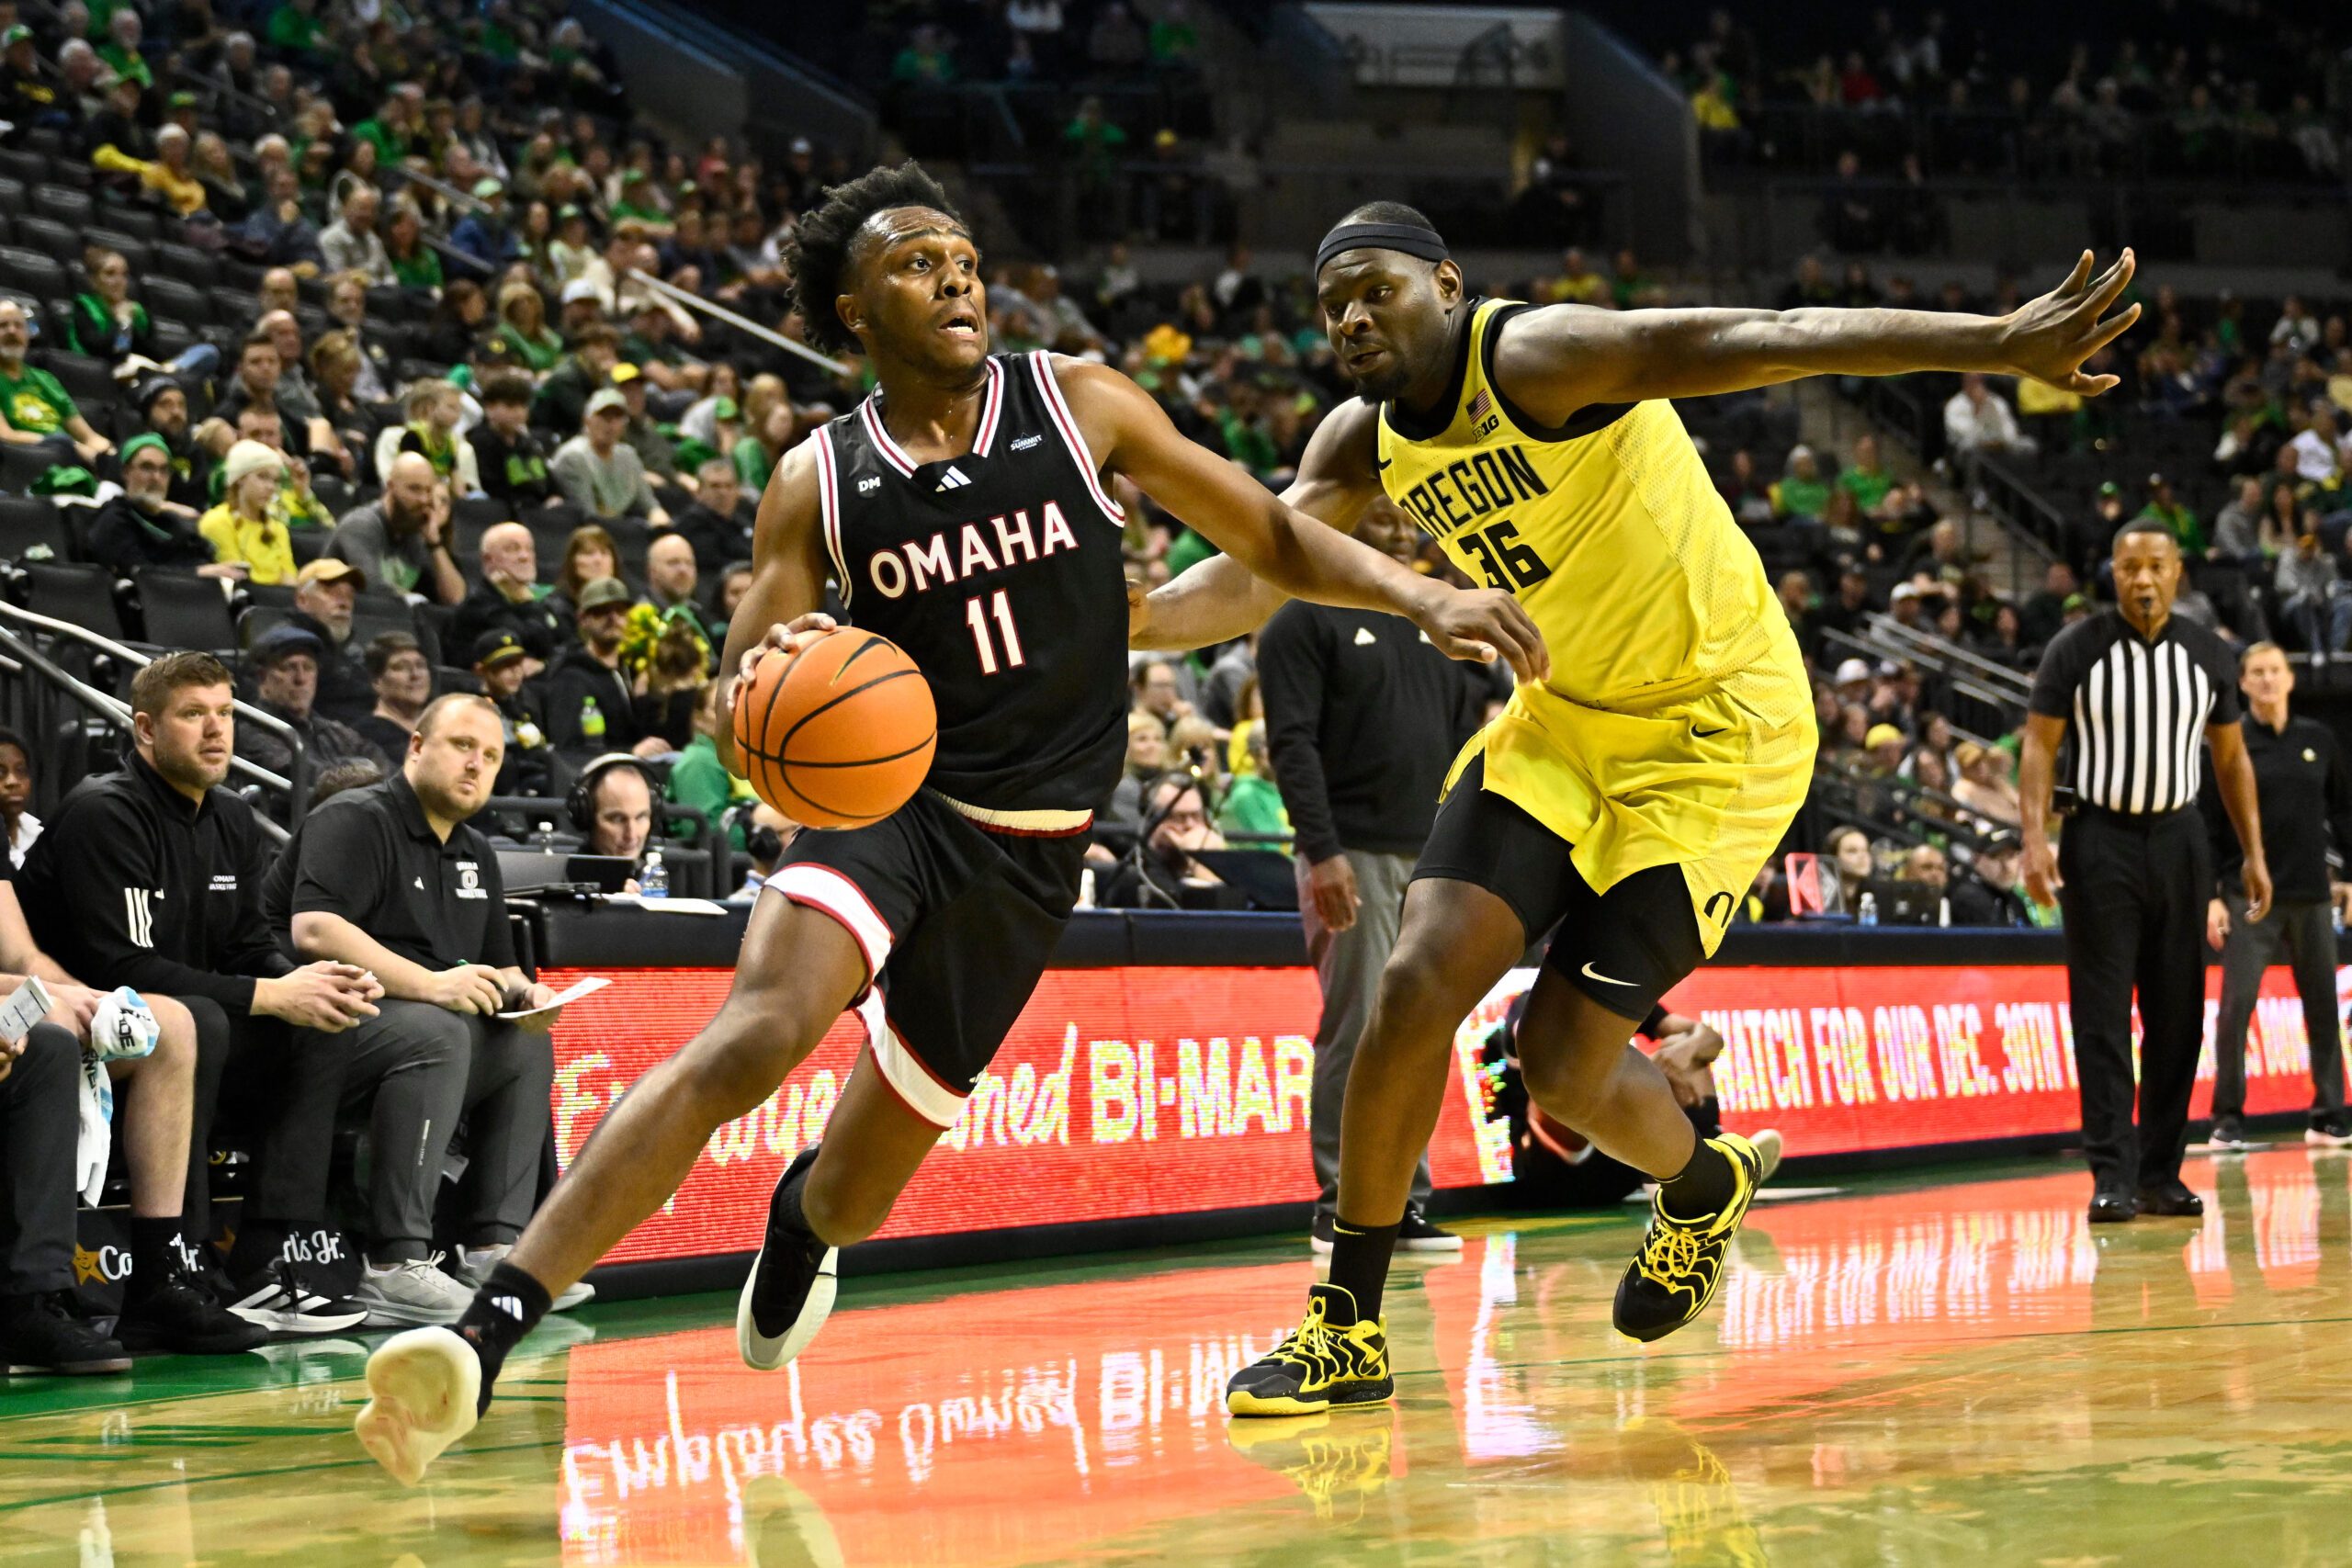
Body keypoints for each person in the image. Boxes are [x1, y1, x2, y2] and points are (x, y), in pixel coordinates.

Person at [353, 162, 1541, 1485]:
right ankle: (483, 1331)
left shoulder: (1076, 399)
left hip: (1029, 861)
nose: (956, 276)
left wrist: (1415, 596)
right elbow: (742, 683)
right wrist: (767, 671)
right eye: (917, 263)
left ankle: (803, 1223)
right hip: (893, 811)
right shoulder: (819, 479)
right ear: (855, 312)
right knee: (749, 1034)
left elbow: (1265, 528)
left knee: (858, 1187)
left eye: (964, 257)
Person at [1133, 204, 2143, 1412]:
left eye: (1376, 289)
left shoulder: (1539, 357)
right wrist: (1127, 622)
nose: (1350, 316)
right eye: (1331, 302)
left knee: (1561, 1063)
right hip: (1565, 716)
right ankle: (1345, 1326)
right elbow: (1259, 568)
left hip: (1720, 731)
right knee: (1414, 981)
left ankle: (1701, 1184)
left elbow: (1765, 336)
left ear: (1446, 285)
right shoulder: (1361, 441)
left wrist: (1996, 341)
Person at [21, 652, 383, 1335]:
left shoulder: (231, 819)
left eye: (225, 713)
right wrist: (272, 995)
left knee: (324, 1019)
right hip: (98, 1031)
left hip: (194, 1025)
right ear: (146, 729)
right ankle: (177, 1262)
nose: (217, 731)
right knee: (204, 1021)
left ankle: (272, 1252)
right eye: (194, 715)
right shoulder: (105, 811)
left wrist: (308, 982)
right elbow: (122, 967)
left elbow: (248, 944)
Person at [270, 695, 580, 1325]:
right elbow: (316, 930)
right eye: (463, 745)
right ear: (416, 747)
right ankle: (394, 1262)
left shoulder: (475, 852)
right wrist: (434, 984)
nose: (476, 764)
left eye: (491, 756)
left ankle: (493, 1249)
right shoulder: (354, 817)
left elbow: (502, 962)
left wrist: (528, 994)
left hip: (404, 1032)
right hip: (304, 1027)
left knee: (523, 1044)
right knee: (438, 1029)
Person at [2020, 521, 2270, 1224]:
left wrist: (2251, 852)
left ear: (2178, 570)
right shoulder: (2076, 648)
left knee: (2178, 1012)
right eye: (2130, 566)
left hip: (2181, 839)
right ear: (2114, 571)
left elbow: (2230, 759)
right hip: (2099, 839)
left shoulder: (2208, 652)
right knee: (2101, 1014)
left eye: (2156, 565)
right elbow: (2039, 747)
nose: (2143, 578)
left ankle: (2162, 1172)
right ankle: (2112, 1172)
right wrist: (2034, 840)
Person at [1257, 497, 1487, 1254]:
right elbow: (1291, 743)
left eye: (1403, 519)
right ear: (1342, 520)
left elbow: (1466, 753)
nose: (1396, 529)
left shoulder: (1435, 628)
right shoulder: (1298, 618)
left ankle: (1402, 1202)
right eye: (1378, 516)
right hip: (1348, 853)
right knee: (1356, 1028)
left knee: (1416, 1033)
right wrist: (1320, 851)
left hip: (1432, 863)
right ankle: (1339, 1199)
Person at [2201, 642, 2352, 1150]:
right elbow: (2208, 826)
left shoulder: (2319, 739)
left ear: (2290, 679)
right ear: (2242, 683)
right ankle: (2227, 1119)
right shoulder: (2229, 743)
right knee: (2236, 1006)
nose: (2267, 680)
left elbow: (2345, 812)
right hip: (2247, 898)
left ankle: (2329, 1113)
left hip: (2311, 894)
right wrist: (2211, 896)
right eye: (2257, 673)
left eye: (2275, 671)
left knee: (2323, 1007)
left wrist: (2349, 876)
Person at [235, 624, 390, 795]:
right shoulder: (250, 728)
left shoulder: (331, 730)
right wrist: (363, 766)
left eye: (308, 668)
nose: (301, 679)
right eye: (289, 667)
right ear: (262, 677)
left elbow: (379, 760)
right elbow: (304, 773)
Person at [537, 577, 661, 764]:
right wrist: (630, 752)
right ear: (583, 619)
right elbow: (568, 752)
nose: (613, 618)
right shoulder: (570, 678)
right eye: (601, 612)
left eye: (620, 611)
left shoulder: (629, 671)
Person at [85, 434, 234, 580]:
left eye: (164, 470)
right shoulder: (114, 520)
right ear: (126, 472)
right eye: (147, 467)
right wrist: (196, 573)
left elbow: (204, 560)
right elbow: (140, 575)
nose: (156, 478)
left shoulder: (175, 523)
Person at [329, 453, 466, 604]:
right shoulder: (361, 525)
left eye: (428, 491)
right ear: (390, 487)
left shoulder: (416, 532)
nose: (424, 500)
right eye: (414, 489)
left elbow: (456, 599)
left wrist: (434, 544)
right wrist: (411, 600)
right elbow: (372, 590)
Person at [1098, 771, 1243, 909]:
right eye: (1179, 817)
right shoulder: (1137, 878)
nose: (1190, 825)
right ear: (1152, 821)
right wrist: (1200, 862)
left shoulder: (1214, 857)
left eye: (1196, 816)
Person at [0, 299, 114, 469]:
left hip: (66, 461)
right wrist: (65, 444)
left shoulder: (46, 379)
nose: (12, 331)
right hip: (23, 465)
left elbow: (89, 437)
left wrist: (116, 457)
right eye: (3, 325)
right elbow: (5, 435)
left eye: (18, 325)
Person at [450, 523, 568, 665]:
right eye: (513, 549)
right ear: (488, 560)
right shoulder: (480, 603)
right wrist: (526, 602)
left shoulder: (539, 598)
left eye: (529, 549)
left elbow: (567, 640)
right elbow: (537, 643)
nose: (525, 557)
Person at [552, 389, 669, 525]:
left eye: (617, 417)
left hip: (621, 526)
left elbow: (650, 504)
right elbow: (588, 515)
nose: (610, 424)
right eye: (603, 416)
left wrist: (661, 522)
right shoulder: (573, 457)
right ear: (587, 421)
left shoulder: (628, 455)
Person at [287, 557, 375, 725]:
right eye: (332, 592)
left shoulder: (353, 653)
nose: (344, 603)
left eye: (349, 596)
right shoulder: (288, 648)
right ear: (302, 600)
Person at [198, 440, 298, 584]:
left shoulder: (278, 529)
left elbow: (290, 582)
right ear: (240, 479)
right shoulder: (217, 521)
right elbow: (237, 577)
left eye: (275, 480)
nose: (271, 487)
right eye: (262, 477)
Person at [470, 632, 554, 799]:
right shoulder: (475, 711)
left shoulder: (528, 702)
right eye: (505, 665)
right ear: (481, 670)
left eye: (518, 663)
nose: (515, 672)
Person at [468, 371, 560, 512]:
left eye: (523, 406)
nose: (519, 412)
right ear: (489, 408)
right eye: (511, 406)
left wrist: (555, 497)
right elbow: (494, 489)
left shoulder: (529, 443)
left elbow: (552, 484)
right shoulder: (479, 442)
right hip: (507, 511)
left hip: (538, 512)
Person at [663, 458, 752, 576]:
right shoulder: (691, 524)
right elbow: (712, 563)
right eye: (715, 486)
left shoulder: (744, 521)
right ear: (699, 492)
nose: (723, 493)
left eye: (729, 486)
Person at [355, 632, 433, 762]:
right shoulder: (365, 737)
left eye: (421, 666)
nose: (415, 674)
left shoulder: (443, 726)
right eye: (401, 667)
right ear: (376, 681)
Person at [575, 752, 654, 864]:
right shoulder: (566, 879)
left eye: (640, 817)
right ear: (587, 818)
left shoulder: (656, 874)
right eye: (618, 819)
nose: (631, 835)